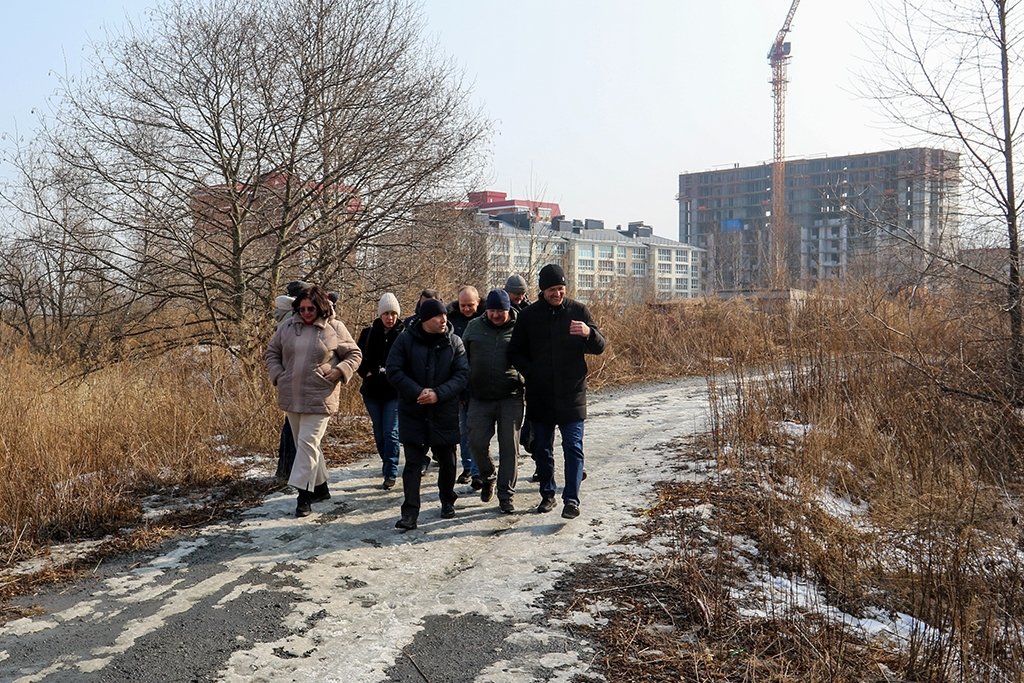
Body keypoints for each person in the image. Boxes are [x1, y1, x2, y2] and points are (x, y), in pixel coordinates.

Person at [508, 264, 606, 520]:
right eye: (552, 289)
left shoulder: (578, 311)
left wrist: (588, 333)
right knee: (542, 449)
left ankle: (571, 499)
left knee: (573, 447)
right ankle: (547, 494)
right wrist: (531, 372)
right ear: (543, 290)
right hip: (540, 395)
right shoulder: (529, 316)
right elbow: (515, 352)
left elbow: (600, 346)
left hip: (572, 394)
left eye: (561, 288)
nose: (558, 293)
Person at [266, 285, 362, 517]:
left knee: (307, 443)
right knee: (306, 445)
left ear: (320, 307)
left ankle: (303, 496)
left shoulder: (334, 327)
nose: (306, 313)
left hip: (320, 396)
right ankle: (321, 488)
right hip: (292, 395)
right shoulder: (287, 327)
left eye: (311, 308)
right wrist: (278, 374)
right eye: (302, 309)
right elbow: (272, 352)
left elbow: (355, 354)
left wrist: (339, 371)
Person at [386, 297, 469, 530]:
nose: (443, 320)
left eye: (445, 315)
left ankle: (447, 500)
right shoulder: (405, 340)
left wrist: (438, 394)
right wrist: (417, 392)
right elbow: (393, 370)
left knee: (448, 461)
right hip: (414, 411)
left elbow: (462, 375)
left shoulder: (454, 342)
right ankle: (410, 513)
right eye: (438, 316)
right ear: (425, 319)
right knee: (413, 464)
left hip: (444, 411)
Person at [462, 288, 524, 514]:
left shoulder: (520, 328)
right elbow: (461, 358)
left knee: (509, 448)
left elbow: (532, 356)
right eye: (492, 310)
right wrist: (463, 386)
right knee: (476, 443)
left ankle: (506, 495)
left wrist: (522, 378)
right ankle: (488, 475)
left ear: (508, 310)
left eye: (501, 311)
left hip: (511, 396)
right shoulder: (474, 327)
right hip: (479, 397)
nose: (496, 315)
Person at [357, 293, 405, 490]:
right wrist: (366, 372)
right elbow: (357, 357)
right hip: (372, 392)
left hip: (395, 392)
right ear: (380, 314)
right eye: (386, 313)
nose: (390, 318)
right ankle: (386, 461)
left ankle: (391, 471)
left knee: (390, 431)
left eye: (393, 313)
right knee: (379, 431)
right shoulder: (368, 333)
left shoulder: (405, 334)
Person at [273, 280, 311, 480]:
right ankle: (295, 473)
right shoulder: (292, 317)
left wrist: (278, 375)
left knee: (291, 427)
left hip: (289, 379)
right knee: (297, 430)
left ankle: (286, 469)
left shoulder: (284, 312)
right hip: (295, 378)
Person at [446, 285, 484, 486]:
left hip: (481, 385)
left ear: (478, 302)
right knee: (464, 430)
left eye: (470, 305)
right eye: (463, 305)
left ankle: (478, 471)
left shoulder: (487, 319)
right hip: (459, 385)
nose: (467, 309)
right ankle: (469, 467)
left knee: (477, 431)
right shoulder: (451, 321)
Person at [503, 273, 536, 480]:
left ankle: (540, 462)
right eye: (516, 294)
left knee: (536, 422)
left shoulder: (529, 310)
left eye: (523, 294)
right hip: (508, 376)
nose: (520, 298)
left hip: (530, 374)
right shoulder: (498, 310)